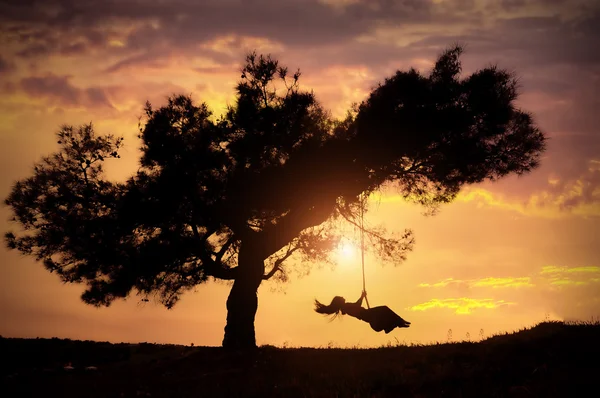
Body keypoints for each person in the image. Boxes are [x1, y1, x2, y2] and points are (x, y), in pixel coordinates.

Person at [314, 291, 411, 334]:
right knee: (384, 309)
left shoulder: (346, 307)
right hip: (370, 317)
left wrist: (362, 296)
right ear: (340, 302)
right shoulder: (346, 307)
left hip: (371, 319)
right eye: (341, 297)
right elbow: (357, 305)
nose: (343, 297)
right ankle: (400, 321)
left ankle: (398, 323)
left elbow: (356, 305)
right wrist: (362, 296)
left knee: (384, 312)